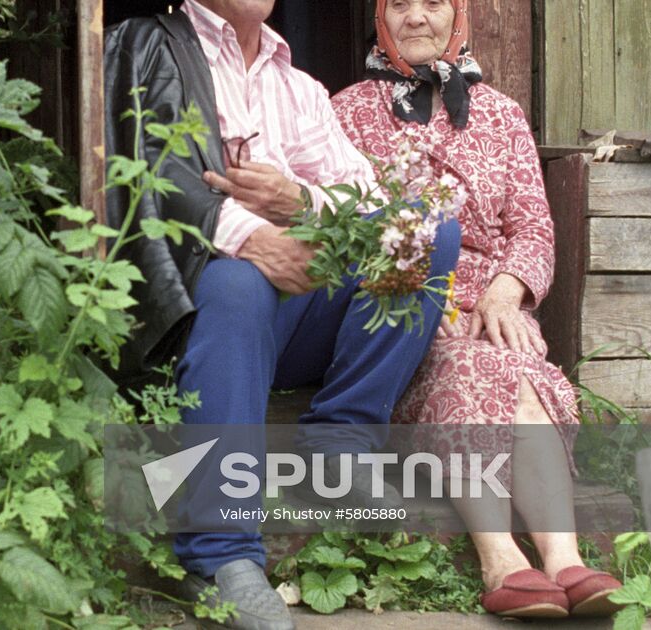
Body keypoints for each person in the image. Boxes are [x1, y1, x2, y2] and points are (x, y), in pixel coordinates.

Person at [105, 1, 459, 628]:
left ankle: (340, 439)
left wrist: (298, 202)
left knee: (423, 232)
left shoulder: (297, 85)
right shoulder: (154, 47)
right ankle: (220, 555)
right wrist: (252, 238)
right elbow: (148, 179)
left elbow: (369, 203)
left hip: (294, 317)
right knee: (239, 281)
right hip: (198, 317)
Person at [330, 0, 623, 619]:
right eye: (399, 4)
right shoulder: (346, 111)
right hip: (403, 310)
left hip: (492, 305)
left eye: (433, 2)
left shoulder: (503, 114)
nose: (416, 18)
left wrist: (507, 288)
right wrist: (412, 282)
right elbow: (337, 228)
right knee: (464, 369)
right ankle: (500, 560)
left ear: (457, 17)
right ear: (380, 19)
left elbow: (533, 229)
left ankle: (563, 560)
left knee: (515, 369)